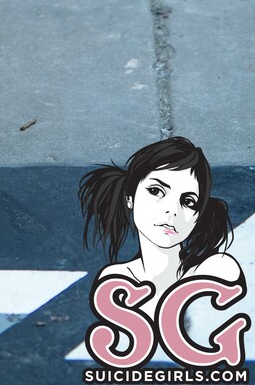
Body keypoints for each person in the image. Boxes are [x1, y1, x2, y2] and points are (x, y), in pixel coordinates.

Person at [79, 136, 243, 359]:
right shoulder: (114, 281)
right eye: (156, 191)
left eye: (188, 201)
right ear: (130, 198)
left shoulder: (217, 268)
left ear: (198, 216)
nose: (172, 211)